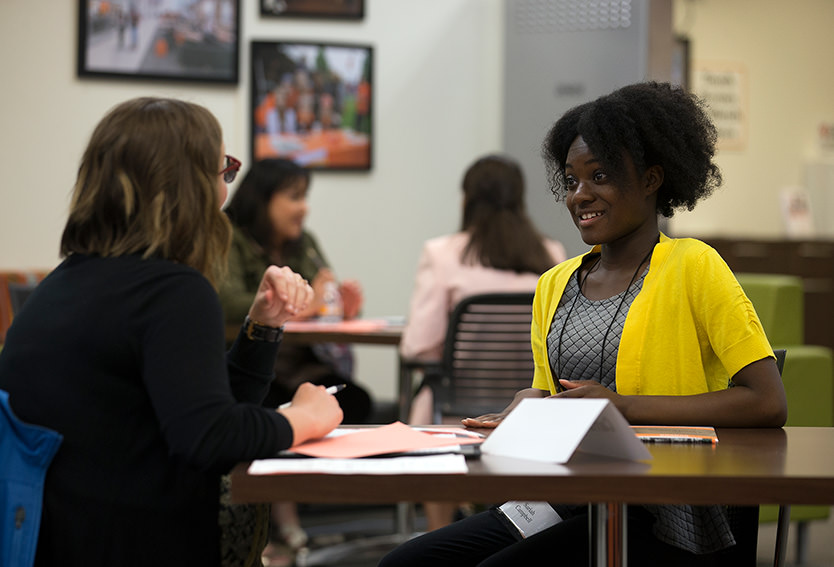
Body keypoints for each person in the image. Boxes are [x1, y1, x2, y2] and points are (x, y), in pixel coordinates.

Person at [380, 82, 788, 567]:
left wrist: (620, 407)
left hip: (665, 508)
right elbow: (557, 400)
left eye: (600, 176)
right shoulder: (554, 284)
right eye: (571, 181)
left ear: (653, 179)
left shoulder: (694, 266)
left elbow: (767, 401)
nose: (580, 195)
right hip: (569, 494)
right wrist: (530, 404)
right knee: (404, 563)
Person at [0, 97, 343, 567]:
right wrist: (306, 419)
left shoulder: (67, 282)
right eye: (224, 170)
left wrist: (263, 324)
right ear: (191, 186)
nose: (225, 191)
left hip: (55, 540)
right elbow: (210, 439)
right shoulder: (173, 290)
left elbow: (200, 407)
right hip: (133, 540)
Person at [400, 154, 566, 531]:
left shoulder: (441, 254)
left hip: (457, 413)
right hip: (529, 411)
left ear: (467, 200)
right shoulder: (551, 254)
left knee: (425, 391)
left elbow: (418, 348)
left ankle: (437, 535)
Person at [219, 157, 372, 564]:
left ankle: (299, 522)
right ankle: (281, 524)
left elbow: (325, 292)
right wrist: (294, 306)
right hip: (250, 363)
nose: (303, 208)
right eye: (293, 197)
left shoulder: (303, 241)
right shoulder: (228, 237)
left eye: (305, 197)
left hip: (301, 364)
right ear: (262, 197)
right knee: (267, 403)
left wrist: (341, 304)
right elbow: (227, 300)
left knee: (355, 401)